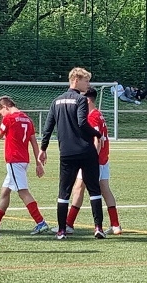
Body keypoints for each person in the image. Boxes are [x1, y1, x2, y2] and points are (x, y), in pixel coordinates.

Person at [38, 67, 105, 240]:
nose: (88, 84)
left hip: (66, 153)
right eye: (86, 81)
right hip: (85, 150)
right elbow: (82, 123)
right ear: (76, 79)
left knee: (64, 192)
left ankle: (61, 231)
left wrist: (43, 149)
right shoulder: (81, 100)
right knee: (94, 189)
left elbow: (48, 128)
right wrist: (97, 134)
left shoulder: (56, 101)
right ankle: (98, 228)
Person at [0, 96, 50, 235]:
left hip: (14, 160)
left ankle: (41, 222)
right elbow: (34, 143)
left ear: (5, 107)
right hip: (23, 160)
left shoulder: (10, 118)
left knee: (23, 192)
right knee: (5, 191)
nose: (1, 115)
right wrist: (38, 163)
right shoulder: (27, 119)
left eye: (1, 112)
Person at [66, 88, 122, 235]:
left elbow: (97, 140)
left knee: (78, 188)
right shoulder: (99, 114)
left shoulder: (92, 116)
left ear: (87, 100)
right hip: (103, 159)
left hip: (94, 159)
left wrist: (92, 159)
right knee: (105, 190)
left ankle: (69, 224)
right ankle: (115, 225)